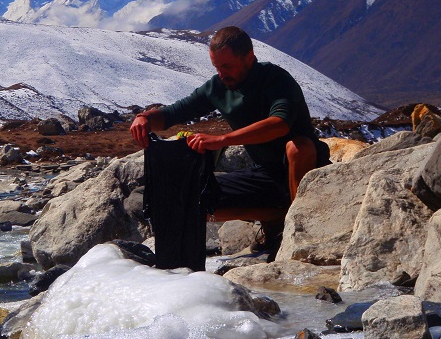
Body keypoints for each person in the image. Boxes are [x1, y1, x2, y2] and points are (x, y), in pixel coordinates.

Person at [130, 26, 326, 255]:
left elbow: (279, 124)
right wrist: (144, 118)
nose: (222, 73)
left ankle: (298, 231)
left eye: (227, 66)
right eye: (216, 67)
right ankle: (275, 222)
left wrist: (222, 139)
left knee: (298, 147)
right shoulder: (219, 87)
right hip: (265, 177)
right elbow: (173, 113)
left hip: (308, 173)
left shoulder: (275, 79)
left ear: (249, 57)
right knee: (182, 195)